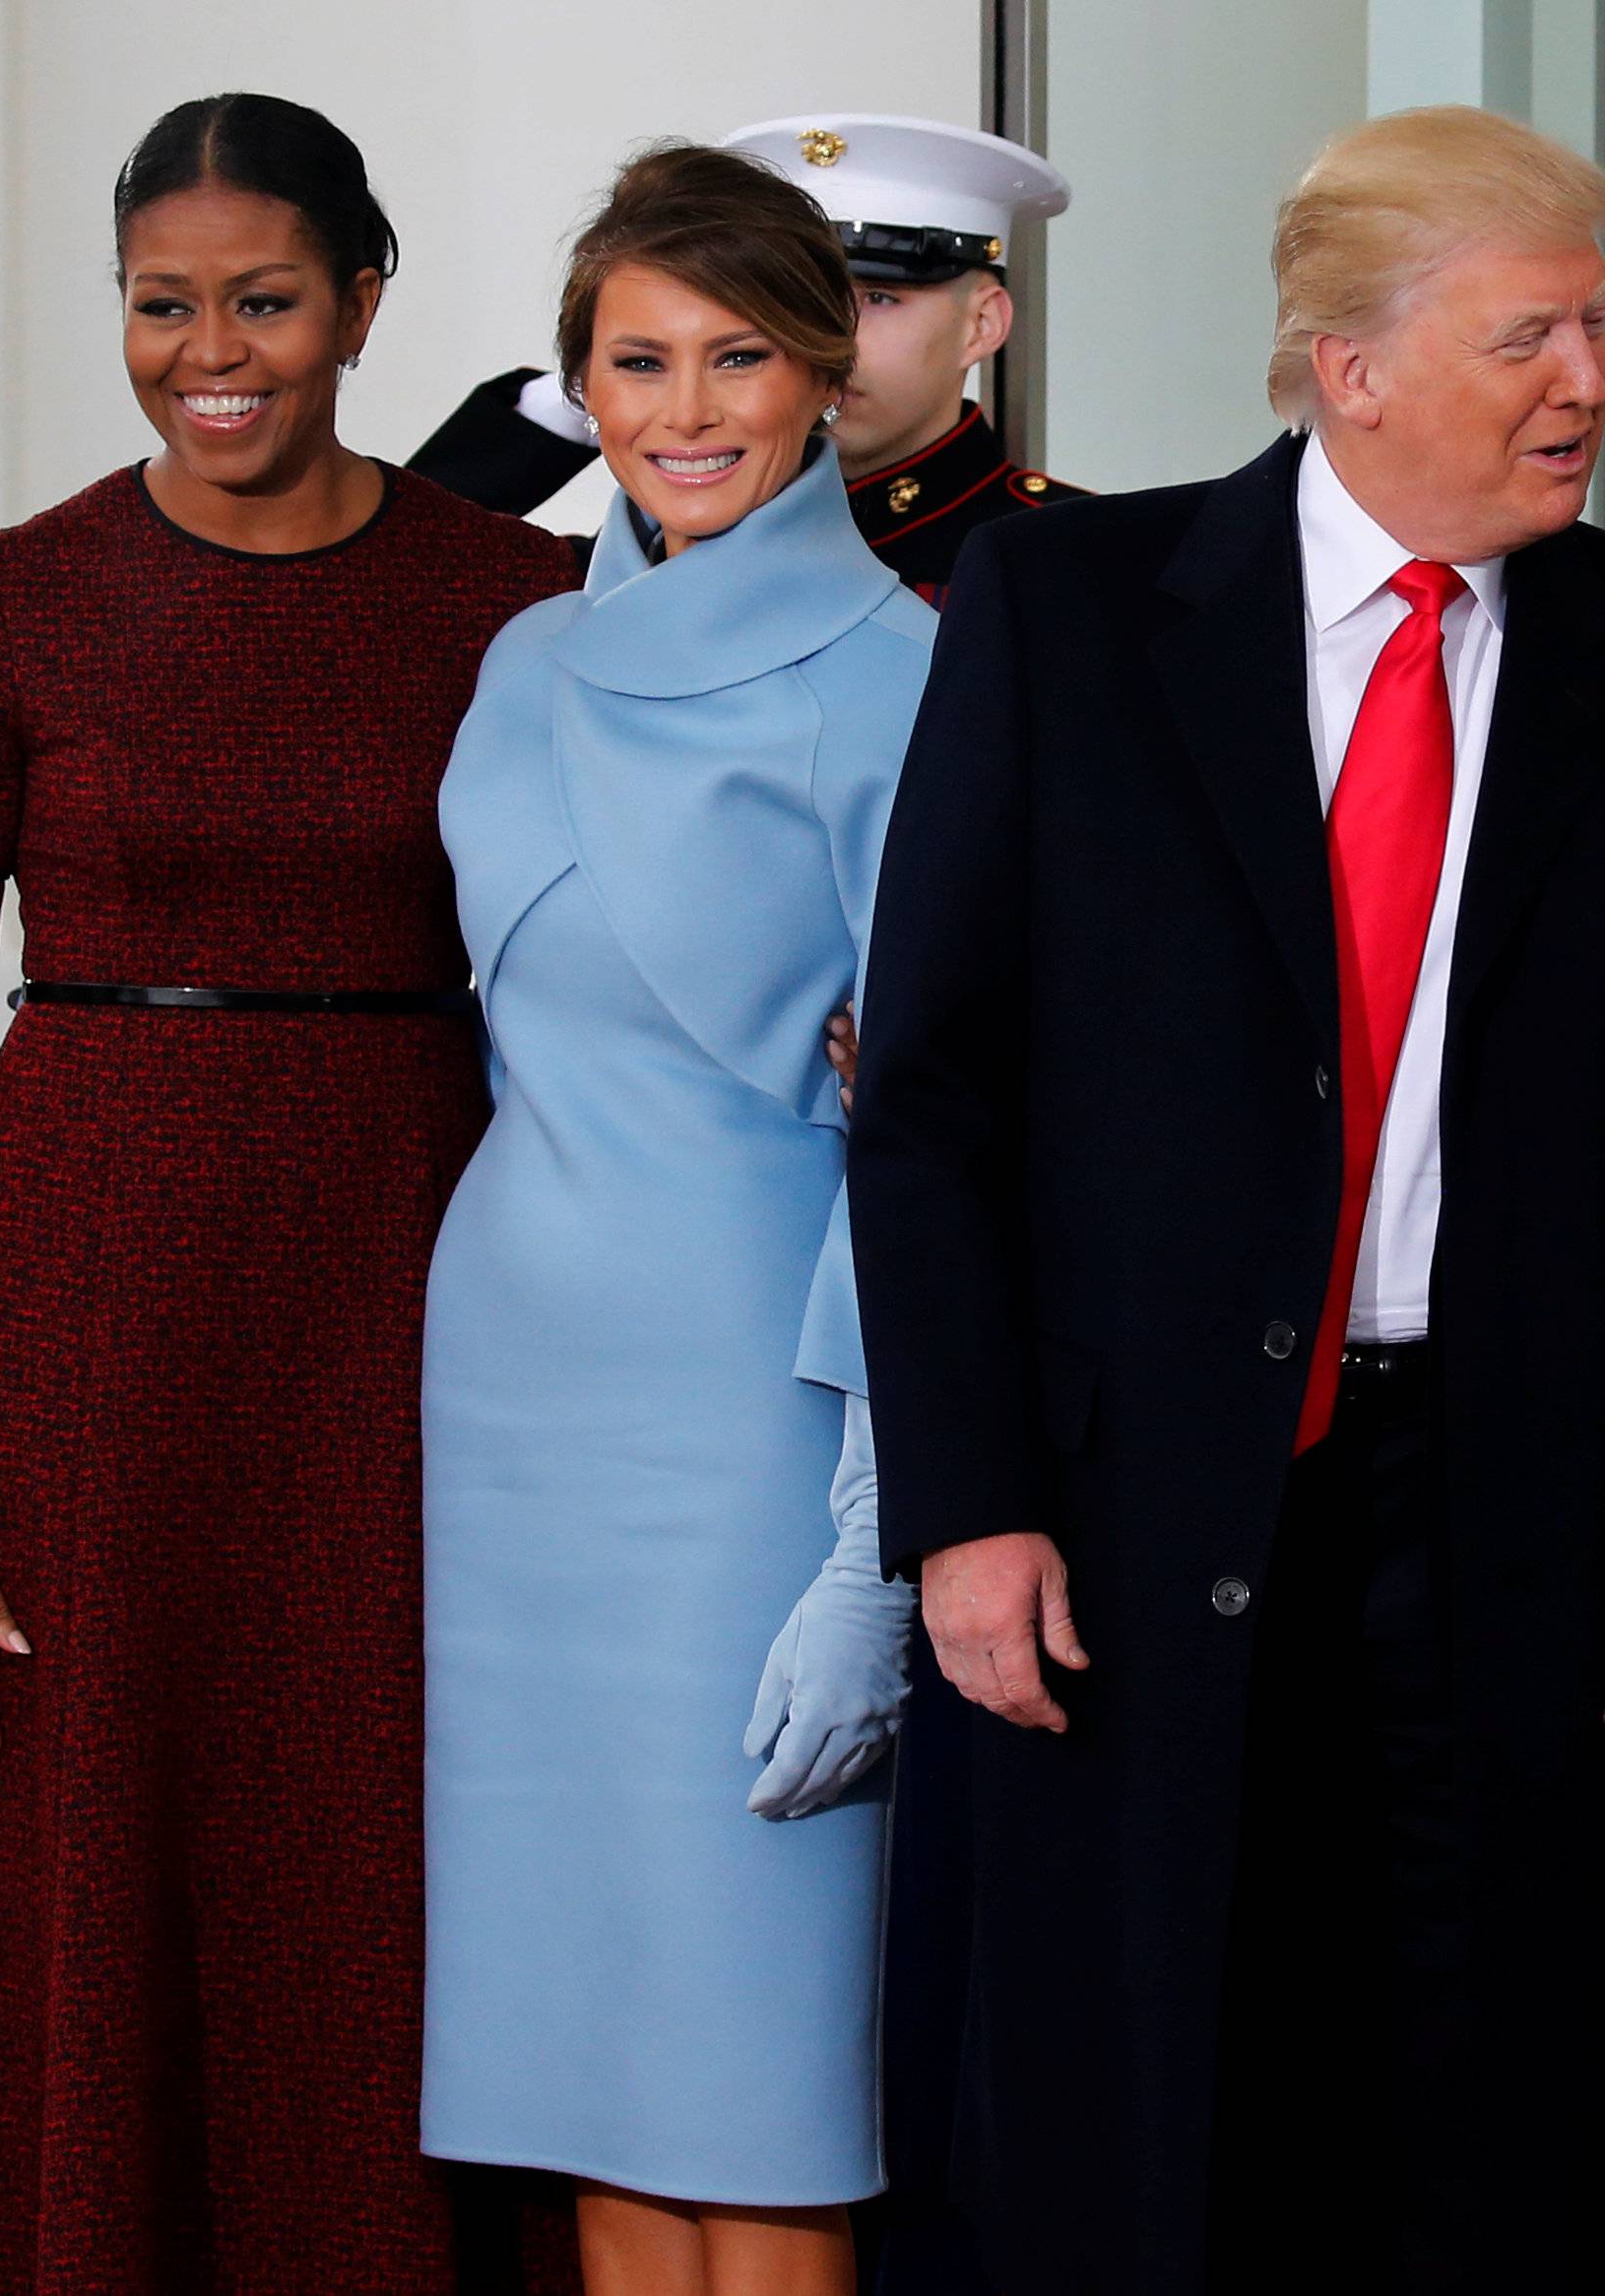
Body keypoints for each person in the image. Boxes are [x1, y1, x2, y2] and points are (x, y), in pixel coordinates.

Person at [0, 94, 583, 2296]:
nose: (212, 349)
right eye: (163, 304)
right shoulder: (0, 611)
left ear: (365, 305)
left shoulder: (525, 602)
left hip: (405, 1304)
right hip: (69, 1335)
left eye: (266, 300)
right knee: (58, 1853)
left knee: (362, 1856)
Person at [851, 104, 1605, 2296]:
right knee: (1153, 2096)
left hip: (1505, 1505)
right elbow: (930, 1102)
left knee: (1483, 2097)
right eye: (1533, 333)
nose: (1586, 382)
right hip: (1134, 1505)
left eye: (1597, 331)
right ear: (1348, 364)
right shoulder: (1069, 603)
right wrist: (965, 1501)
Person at [419, 144, 931, 2296]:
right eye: (638, 360)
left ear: (828, 376)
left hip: (754, 1411)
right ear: (576, 384)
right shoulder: (523, 655)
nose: (689, 406)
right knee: (584, 2063)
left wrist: (869, 1540)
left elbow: (938, 1135)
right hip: (516, 1399)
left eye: (742, 355)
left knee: (760, 2068)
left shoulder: (906, 668)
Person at [409, 116, 1084, 606]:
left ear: (984, 322)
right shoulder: (644, 547)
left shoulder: (1065, 557)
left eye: (878, 297)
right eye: (772, 317)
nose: (831, 337)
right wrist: (594, 380)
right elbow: (392, 568)